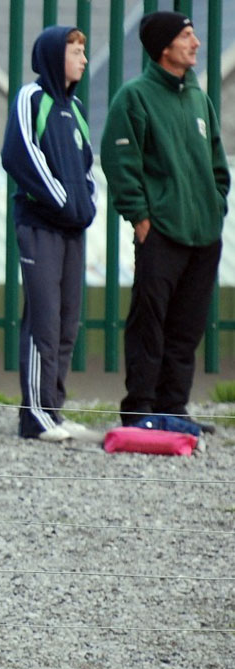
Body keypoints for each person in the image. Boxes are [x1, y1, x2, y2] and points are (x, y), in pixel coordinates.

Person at [100, 11, 230, 431]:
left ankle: (174, 410)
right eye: (187, 36)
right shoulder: (134, 97)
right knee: (149, 324)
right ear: (164, 47)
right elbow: (120, 161)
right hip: (161, 234)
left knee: (186, 329)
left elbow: (217, 164)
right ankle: (140, 410)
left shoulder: (197, 97)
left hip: (203, 235)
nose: (196, 43)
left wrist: (215, 205)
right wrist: (139, 218)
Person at [1, 26, 100, 443]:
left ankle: (54, 411)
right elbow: (19, 153)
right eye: (75, 50)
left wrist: (85, 206)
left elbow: (87, 167)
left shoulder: (75, 108)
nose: (83, 58)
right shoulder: (32, 98)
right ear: (53, 55)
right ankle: (35, 417)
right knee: (43, 320)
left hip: (72, 230)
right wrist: (63, 202)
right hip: (41, 225)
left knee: (66, 323)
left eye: (84, 50)